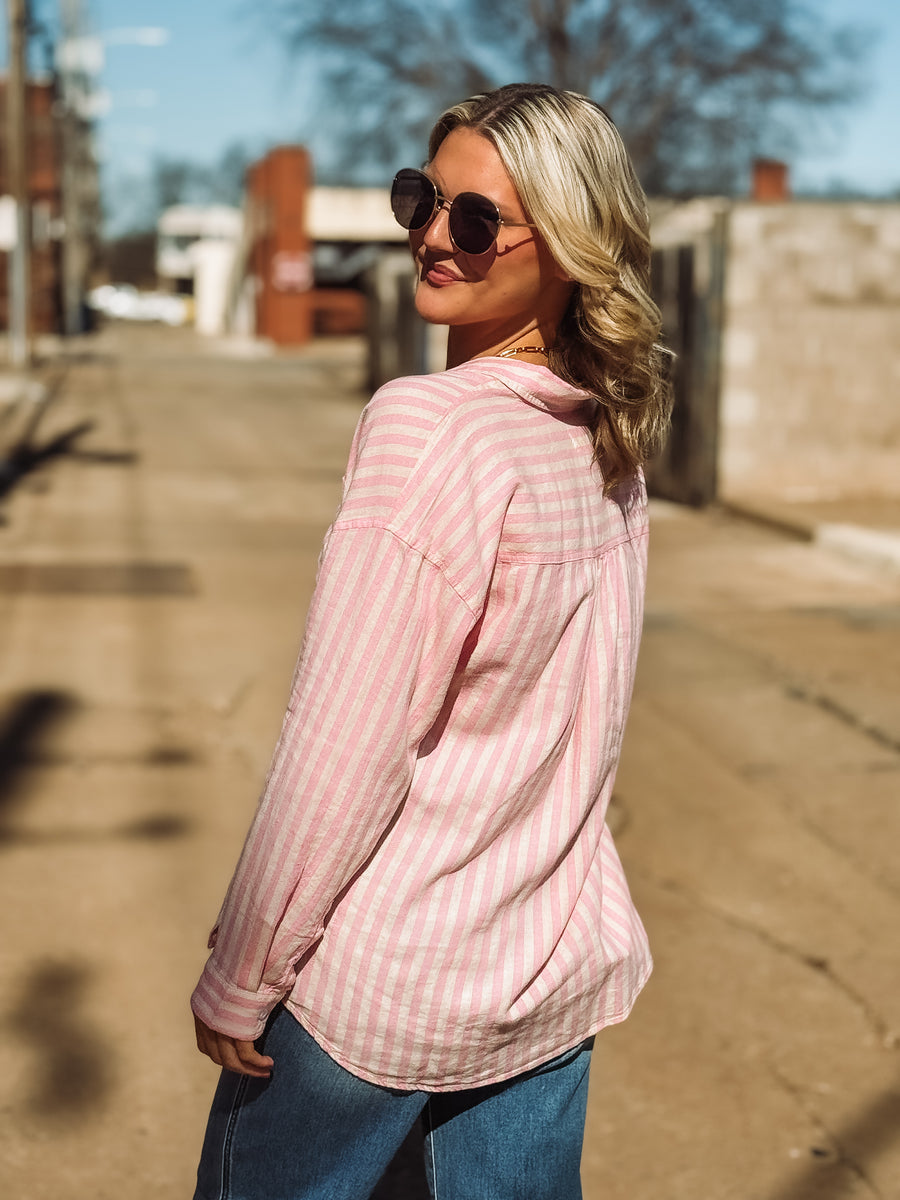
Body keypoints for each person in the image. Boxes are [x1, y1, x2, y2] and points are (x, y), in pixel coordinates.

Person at [190, 82, 670, 1200]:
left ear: (568, 243)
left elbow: (346, 743)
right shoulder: (603, 441)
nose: (431, 238)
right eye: (424, 198)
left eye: (475, 219)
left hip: (379, 994)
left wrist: (244, 968)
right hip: (541, 973)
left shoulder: (432, 426)